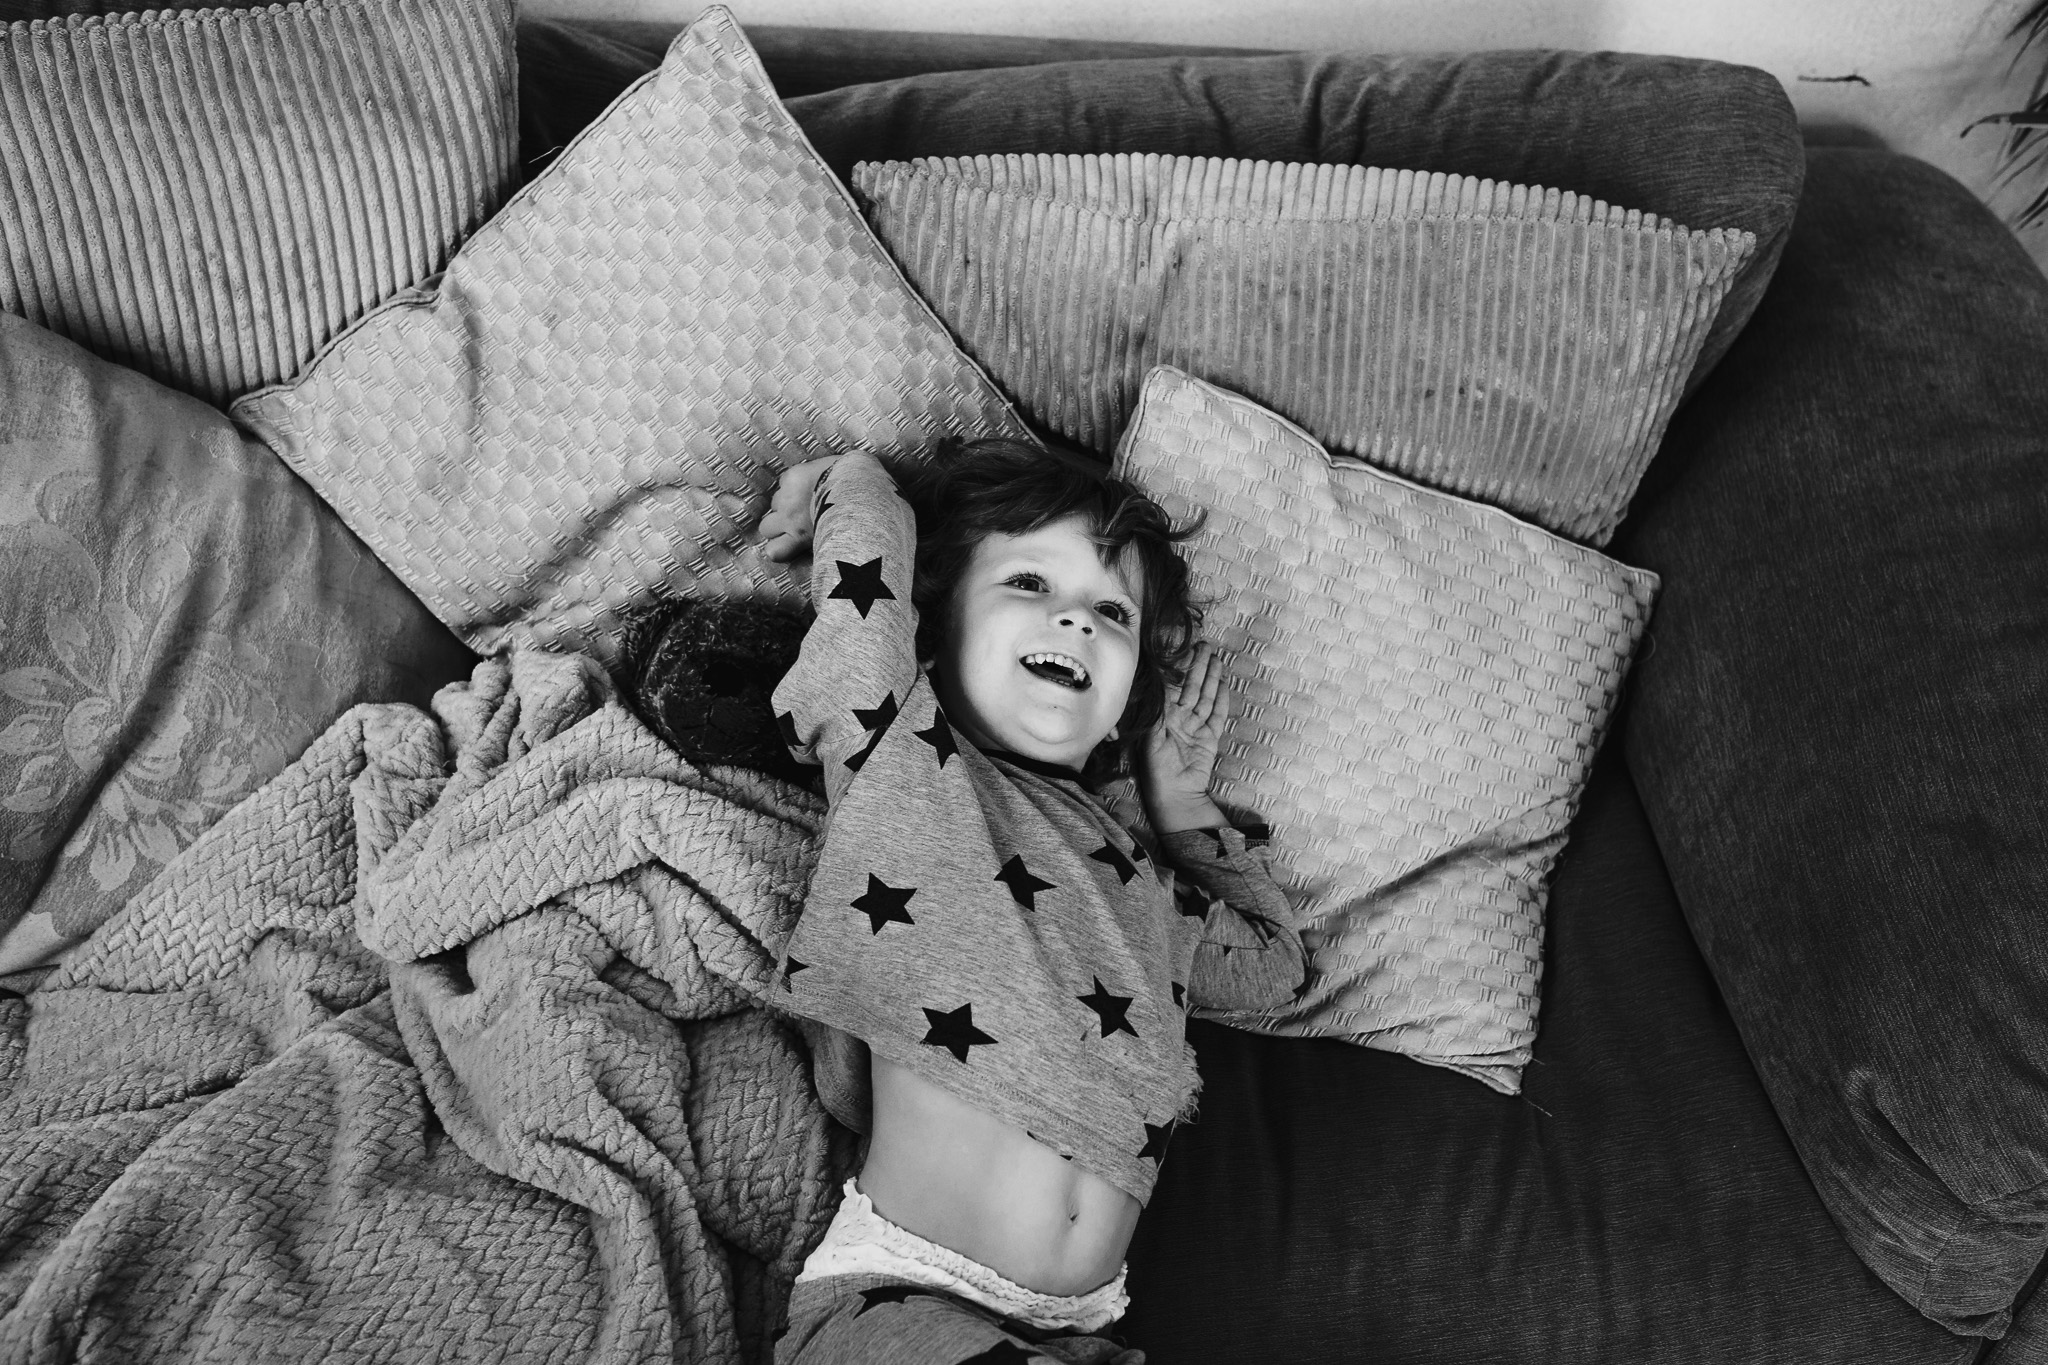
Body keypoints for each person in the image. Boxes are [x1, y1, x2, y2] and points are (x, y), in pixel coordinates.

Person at [756, 438, 1307, 1364]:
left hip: (1077, 1332)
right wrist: (844, 483)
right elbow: (865, 601)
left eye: (1111, 610)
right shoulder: (905, 753)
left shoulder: (1137, 880)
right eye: (1027, 583)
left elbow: (1272, 968)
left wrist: (1180, 809)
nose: (1077, 620)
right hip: (904, 1299)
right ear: (935, 628)